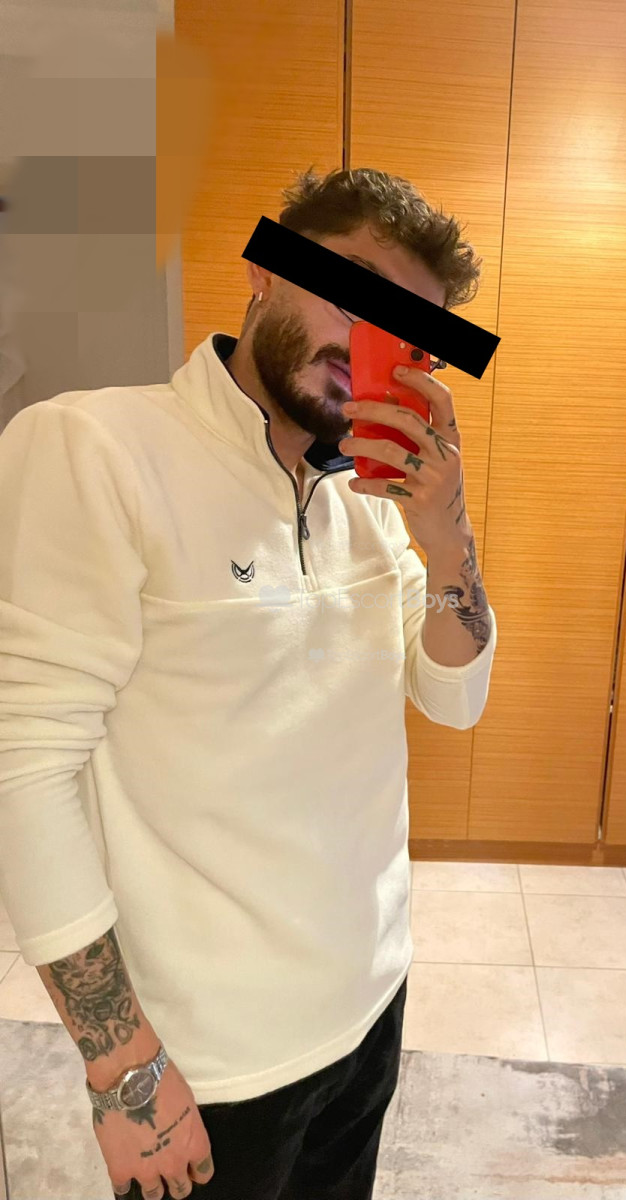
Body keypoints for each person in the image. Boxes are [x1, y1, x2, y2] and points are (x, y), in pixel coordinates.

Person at [0, 166, 497, 1200]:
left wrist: (445, 538)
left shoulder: (373, 502)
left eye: (408, 336)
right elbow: (22, 767)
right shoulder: (94, 448)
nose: (368, 342)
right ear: (264, 270)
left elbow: (453, 697)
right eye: (350, 291)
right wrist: (123, 1067)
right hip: (213, 1063)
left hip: (371, 1003)